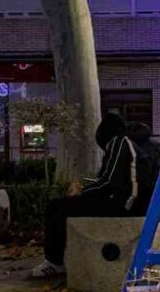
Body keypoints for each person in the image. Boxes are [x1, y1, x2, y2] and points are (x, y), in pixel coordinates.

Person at [31, 113, 144, 278]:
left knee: (56, 207)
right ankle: (58, 259)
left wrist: (81, 192)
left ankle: (54, 262)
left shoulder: (118, 142)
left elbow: (109, 183)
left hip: (123, 204)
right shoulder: (130, 144)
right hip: (130, 202)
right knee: (66, 205)